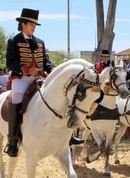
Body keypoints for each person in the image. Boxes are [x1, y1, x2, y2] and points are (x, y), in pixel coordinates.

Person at [5, 8, 83, 157]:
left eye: (35, 25)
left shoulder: (40, 42)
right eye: (31, 24)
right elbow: (10, 63)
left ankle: (68, 134)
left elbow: (46, 62)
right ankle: (13, 140)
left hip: (39, 79)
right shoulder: (14, 41)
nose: (33, 27)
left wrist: (52, 69)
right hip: (21, 79)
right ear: (23, 24)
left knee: (62, 97)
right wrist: (26, 69)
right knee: (17, 99)